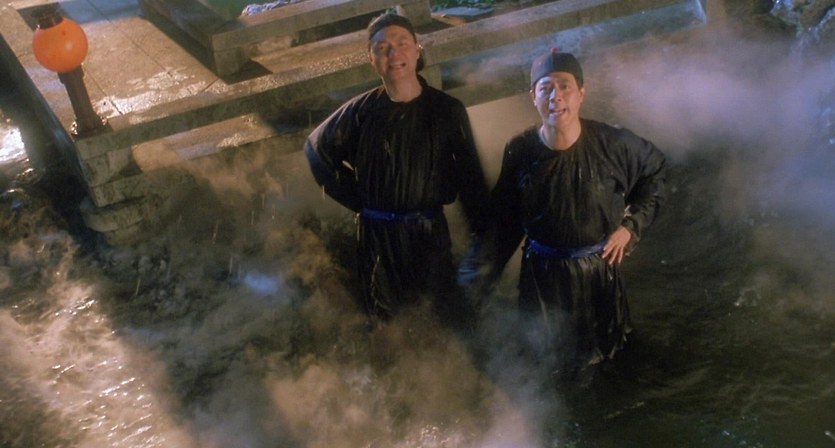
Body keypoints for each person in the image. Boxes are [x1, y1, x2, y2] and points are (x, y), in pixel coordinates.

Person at [467, 49, 666, 371]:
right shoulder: (521, 150)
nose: (555, 96)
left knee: (607, 359)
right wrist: (476, 280)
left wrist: (631, 227)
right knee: (547, 363)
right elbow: (504, 221)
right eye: (545, 88)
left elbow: (656, 174)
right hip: (542, 278)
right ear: (533, 96)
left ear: (581, 93)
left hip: (598, 273)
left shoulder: (613, 145)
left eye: (564, 86)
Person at [304, 13, 490, 330]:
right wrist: (358, 199)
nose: (394, 54)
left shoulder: (447, 111)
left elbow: (471, 181)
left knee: (441, 319)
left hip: (428, 233)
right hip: (378, 239)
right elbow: (316, 149)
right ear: (371, 59)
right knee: (388, 322)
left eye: (402, 44)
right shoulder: (361, 112)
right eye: (382, 48)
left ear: (417, 50)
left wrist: (482, 241)